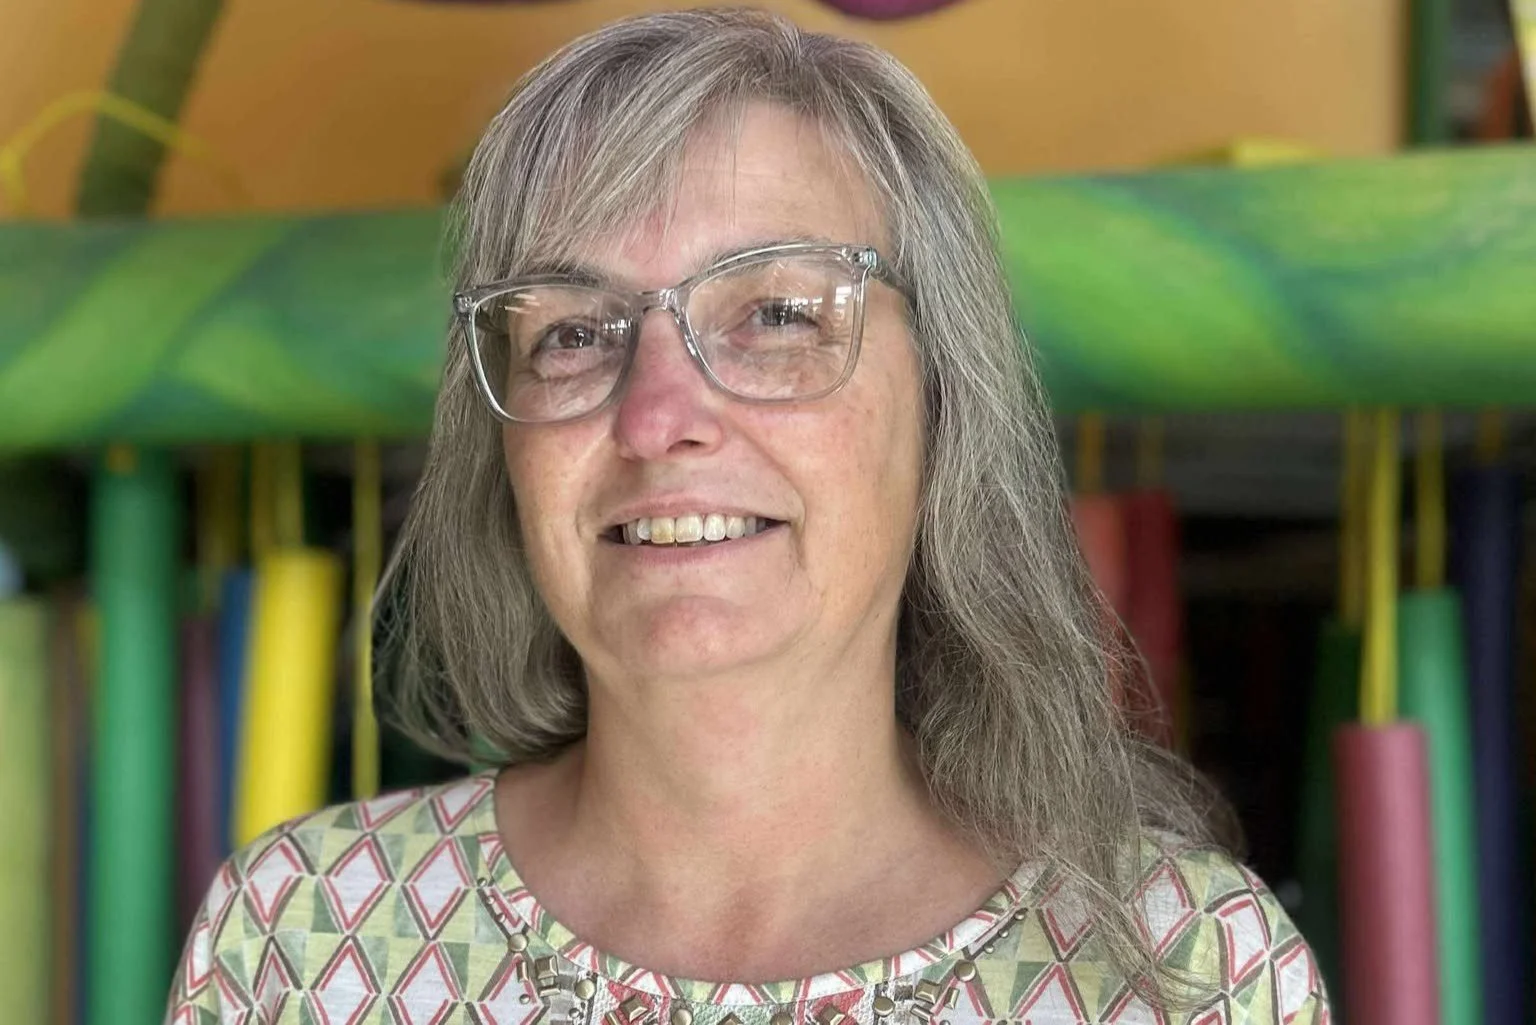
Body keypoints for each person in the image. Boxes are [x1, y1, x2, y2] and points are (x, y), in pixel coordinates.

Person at [167, 9, 1327, 1023]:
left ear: (939, 403)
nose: (659, 415)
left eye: (776, 312)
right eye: (572, 331)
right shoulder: (309, 941)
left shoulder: (1194, 975)